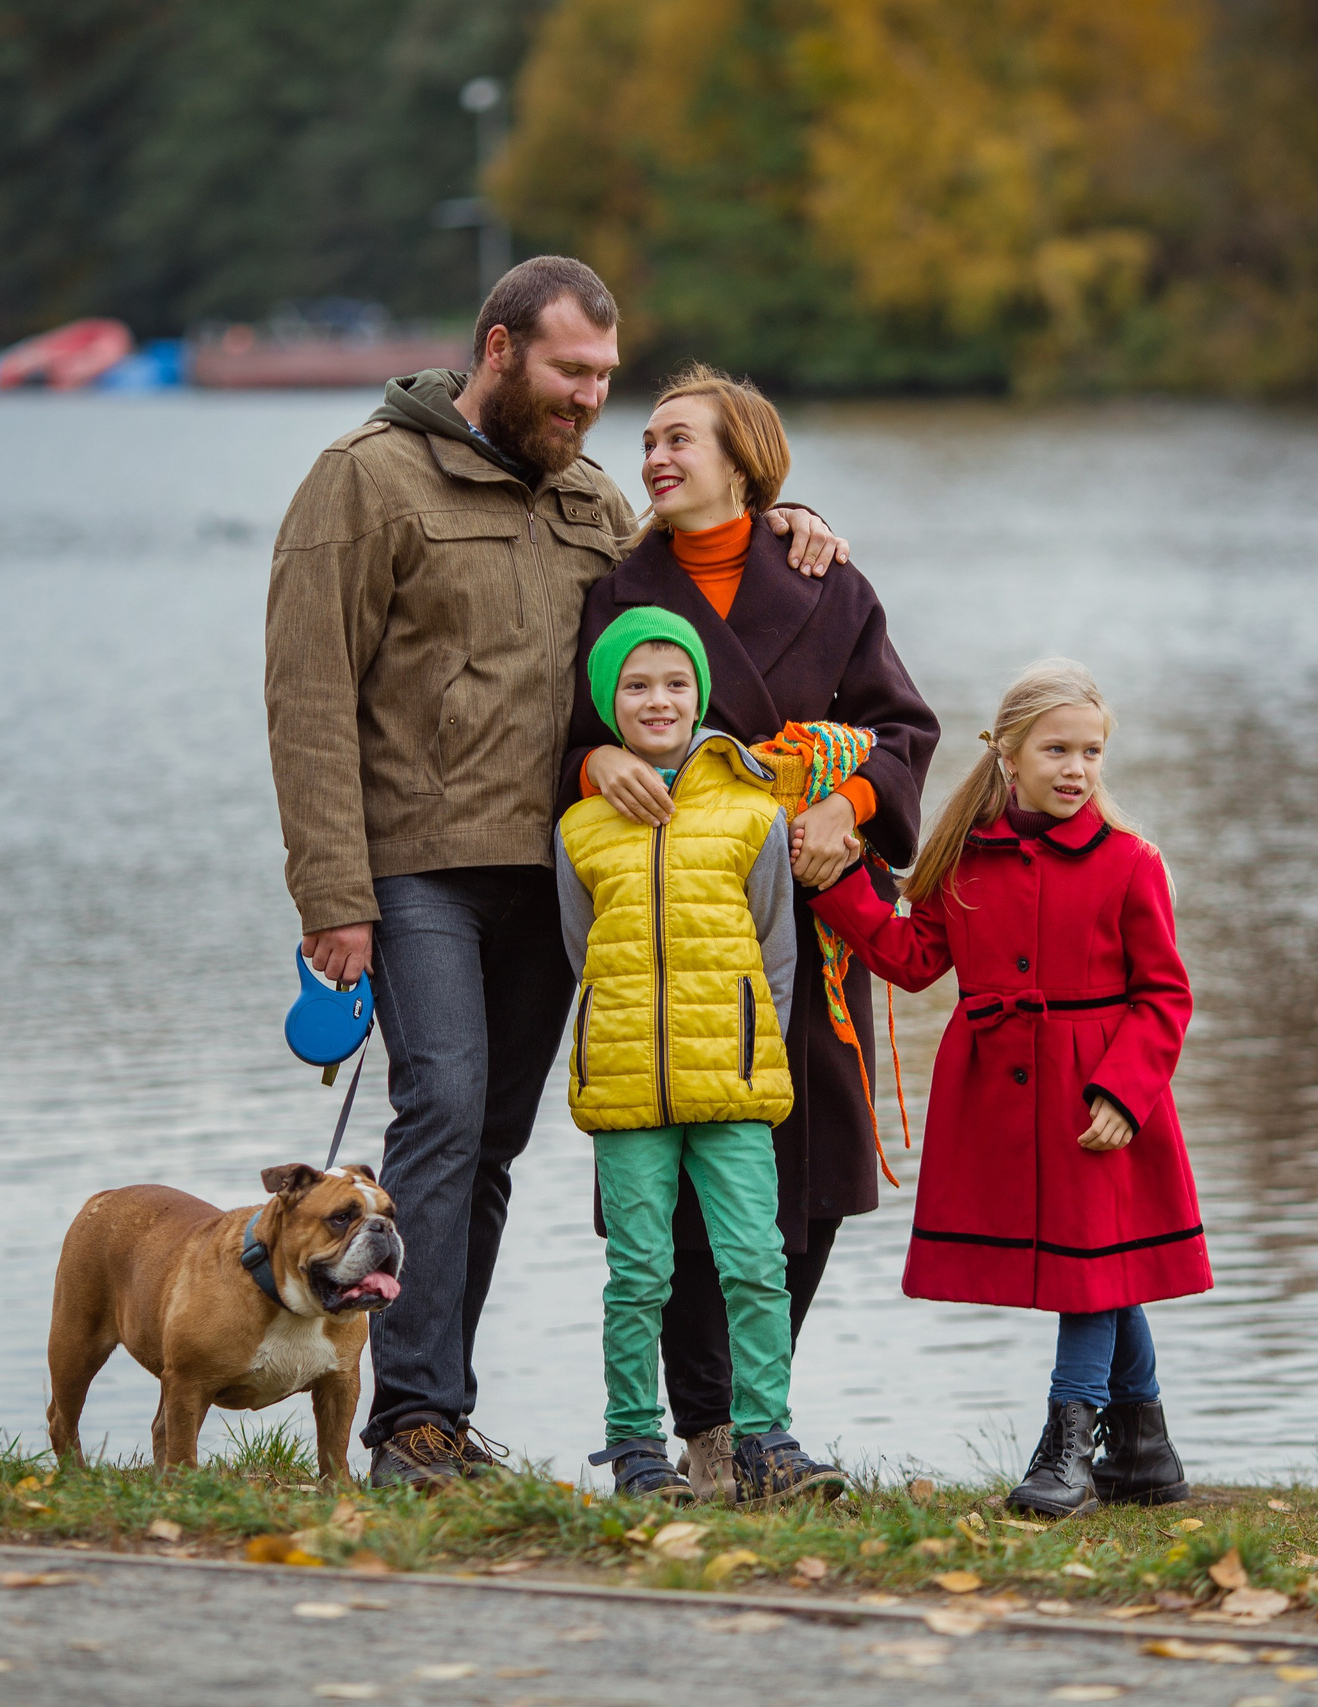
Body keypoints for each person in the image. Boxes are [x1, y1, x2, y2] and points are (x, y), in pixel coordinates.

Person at [264, 258, 849, 1490]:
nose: (592, 399)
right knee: (442, 1108)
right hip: (415, 866)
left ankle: (443, 1415)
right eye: (570, 371)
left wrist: (783, 519)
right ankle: (409, 1424)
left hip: (553, 872)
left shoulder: (588, 500)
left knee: (490, 1140)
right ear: (497, 349)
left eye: (603, 377)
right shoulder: (364, 480)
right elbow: (307, 696)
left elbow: (682, 583)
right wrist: (333, 896)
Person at [558, 365, 938, 1498]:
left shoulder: (829, 581)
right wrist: (598, 757)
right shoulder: (622, 589)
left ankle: (754, 1416)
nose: (654, 458)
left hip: (807, 912)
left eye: (681, 440)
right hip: (676, 926)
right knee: (671, 1178)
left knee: (809, 1168)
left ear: (745, 460)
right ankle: (707, 1430)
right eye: (649, 441)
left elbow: (903, 731)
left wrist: (847, 807)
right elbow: (569, 733)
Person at [802, 659, 1208, 1518]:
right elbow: (913, 958)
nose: (1076, 768)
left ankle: (1069, 1445)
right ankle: (1145, 1450)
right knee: (1096, 1261)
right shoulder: (964, 860)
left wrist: (1124, 1091)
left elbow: (1165, 994)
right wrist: (836, 885)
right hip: (999, 1093)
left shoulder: (1130, 862)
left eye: (1091, 751)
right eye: (1057, 749)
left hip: (1096, 1094)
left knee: (1088, 1267)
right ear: (1008, 755)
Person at [554, 610, 850, 1505]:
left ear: (700, 694)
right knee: (638, 1272)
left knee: (755, 1261)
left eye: (676, 683)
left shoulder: (754, 814)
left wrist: (751, 1045)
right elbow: (582, 951)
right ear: (608, 701)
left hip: (734, 1081)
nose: (659, 700)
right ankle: (635, 1449)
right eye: (637, 685)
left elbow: (776, 951)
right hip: (627, 1087)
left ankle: (767, 1440)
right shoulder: (580, 828)